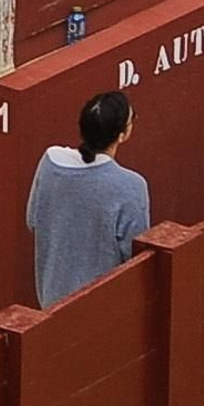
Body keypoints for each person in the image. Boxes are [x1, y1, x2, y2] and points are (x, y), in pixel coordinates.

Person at [25, 91, 150, 308]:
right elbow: (136, 259)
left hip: (50, 297)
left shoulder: (51, 161)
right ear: (122, 134)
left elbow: (32, 221)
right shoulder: (131, 186)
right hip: (102, 308)